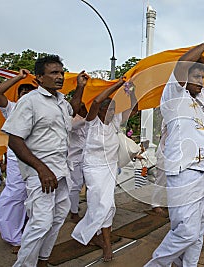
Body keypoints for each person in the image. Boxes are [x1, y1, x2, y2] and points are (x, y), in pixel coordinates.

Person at [1, 55, 88, 267]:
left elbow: (73, 109)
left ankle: (43, 260)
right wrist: (41, 169)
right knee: (40, 224)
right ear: (39, 77)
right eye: (53, 73)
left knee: (57, 219)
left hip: (61, 172)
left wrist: (80, 87)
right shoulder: (29, 101)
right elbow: (14, 139)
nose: (59, 77)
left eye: (61, 72)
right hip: (41, 175)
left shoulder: (60, 101)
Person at [144, 36, 204, 267]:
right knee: (186, 231)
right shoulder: (173, 96)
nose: (201, 81)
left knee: (200, 228)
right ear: (184, 80)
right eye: (196, 77)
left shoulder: (202, 99)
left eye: (201, 77)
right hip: (184, 171)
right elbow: (181, 66)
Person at [71, 77, 138, 262]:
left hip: (109, 168)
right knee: (101, 204)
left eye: (113, 111)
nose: (111, 114)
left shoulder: (114, 122)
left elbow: (134, 109)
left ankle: (93, 235)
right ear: (99, 111)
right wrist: (117, 85)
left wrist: (130, 92)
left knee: (108, 205)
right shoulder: (92, 123)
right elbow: (98, 101)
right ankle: (102, 242)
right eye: (107, 110)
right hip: (93, 169)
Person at [0, 69, 37, 254]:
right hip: (17, 159)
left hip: (37, 160)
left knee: (33, 197)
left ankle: (28, 234)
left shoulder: (39, 110)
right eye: (23, 92)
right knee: (15, 194)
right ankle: (13, 237)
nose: (26, 96)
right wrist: (18, 77)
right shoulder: (11, 108)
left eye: (30, 92)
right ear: (18, 96)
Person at [67, 103, 88, 223]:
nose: (83, 109)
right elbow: (75, 125)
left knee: (89, 185)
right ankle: (73, 212)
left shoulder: (89, 122)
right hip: (74, 159)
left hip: (87, 159)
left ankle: (88, 210)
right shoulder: (72, 120)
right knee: (75, 186)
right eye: (81, 107)